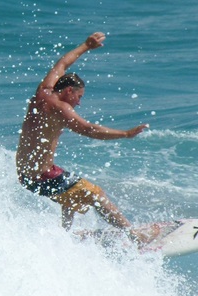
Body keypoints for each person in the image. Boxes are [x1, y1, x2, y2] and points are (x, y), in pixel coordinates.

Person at [16, 32, 154, 241]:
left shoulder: (42, 92)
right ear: (69, 90)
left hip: (26, 174)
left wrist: (86, 46)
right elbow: (89, 129)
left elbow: (62, 64)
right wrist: (125, 134)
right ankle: (136, 237)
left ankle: (65, 236)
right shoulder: (61, 108)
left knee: (70, 192)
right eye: (78, 97)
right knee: (96, 194)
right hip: (41, 177)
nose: (78, 103)